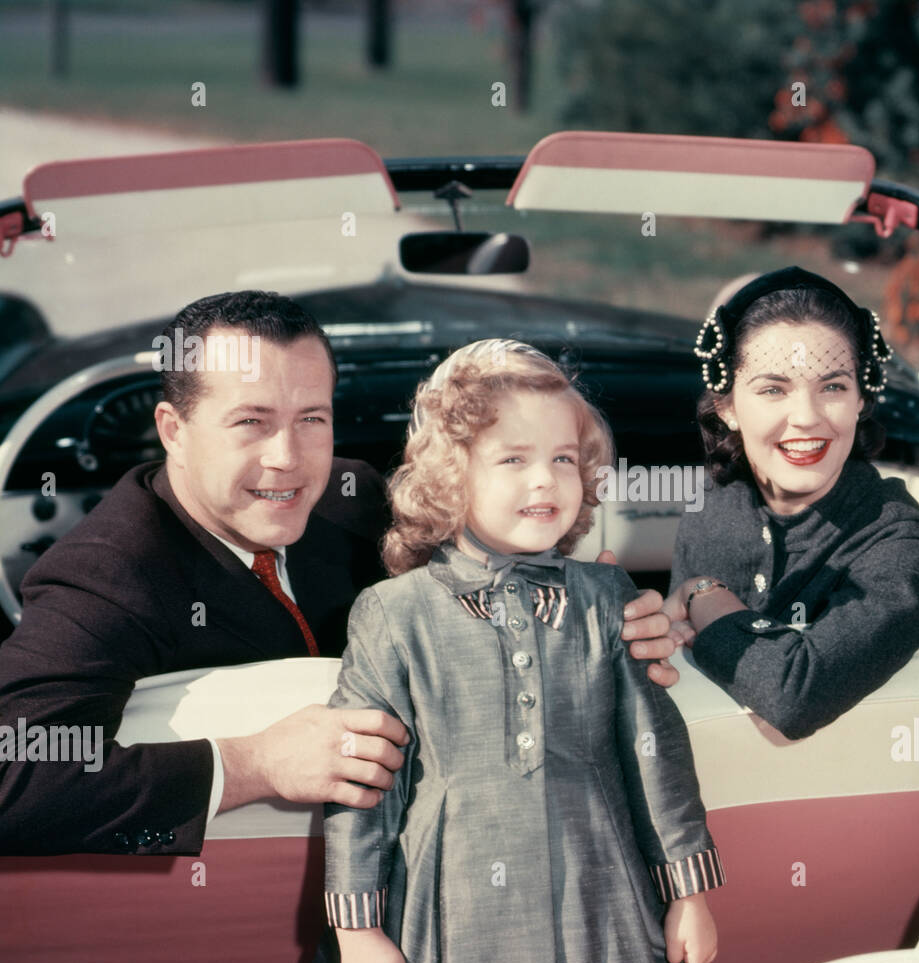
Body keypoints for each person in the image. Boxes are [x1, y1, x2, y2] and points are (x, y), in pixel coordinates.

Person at [0, 291, 678, 857]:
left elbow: (476, 592)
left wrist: (608, 616)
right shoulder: (106, 575)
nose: (288, 460)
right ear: (173, 430)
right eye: (251, 423)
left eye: (312, 419)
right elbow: (14, 776)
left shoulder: (353, 501)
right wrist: (252, 764)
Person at [323, 340, 722, 963]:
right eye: (513, 458)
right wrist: (358, 931)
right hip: (452, 906)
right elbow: (365, 785)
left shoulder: (607, 596)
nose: (545, 479)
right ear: (451, 476)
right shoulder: (393, 613)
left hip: (604, 895)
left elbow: (655, 755)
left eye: (564, 458)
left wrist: (689, 894)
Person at [665, 267, 919, 740]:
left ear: (861, 399)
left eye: (833, 387)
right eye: (773, 389)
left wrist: (703, 595)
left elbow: (794, 695)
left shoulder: (908, 547)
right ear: (727, 407)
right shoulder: (713, 504)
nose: (805, 418)